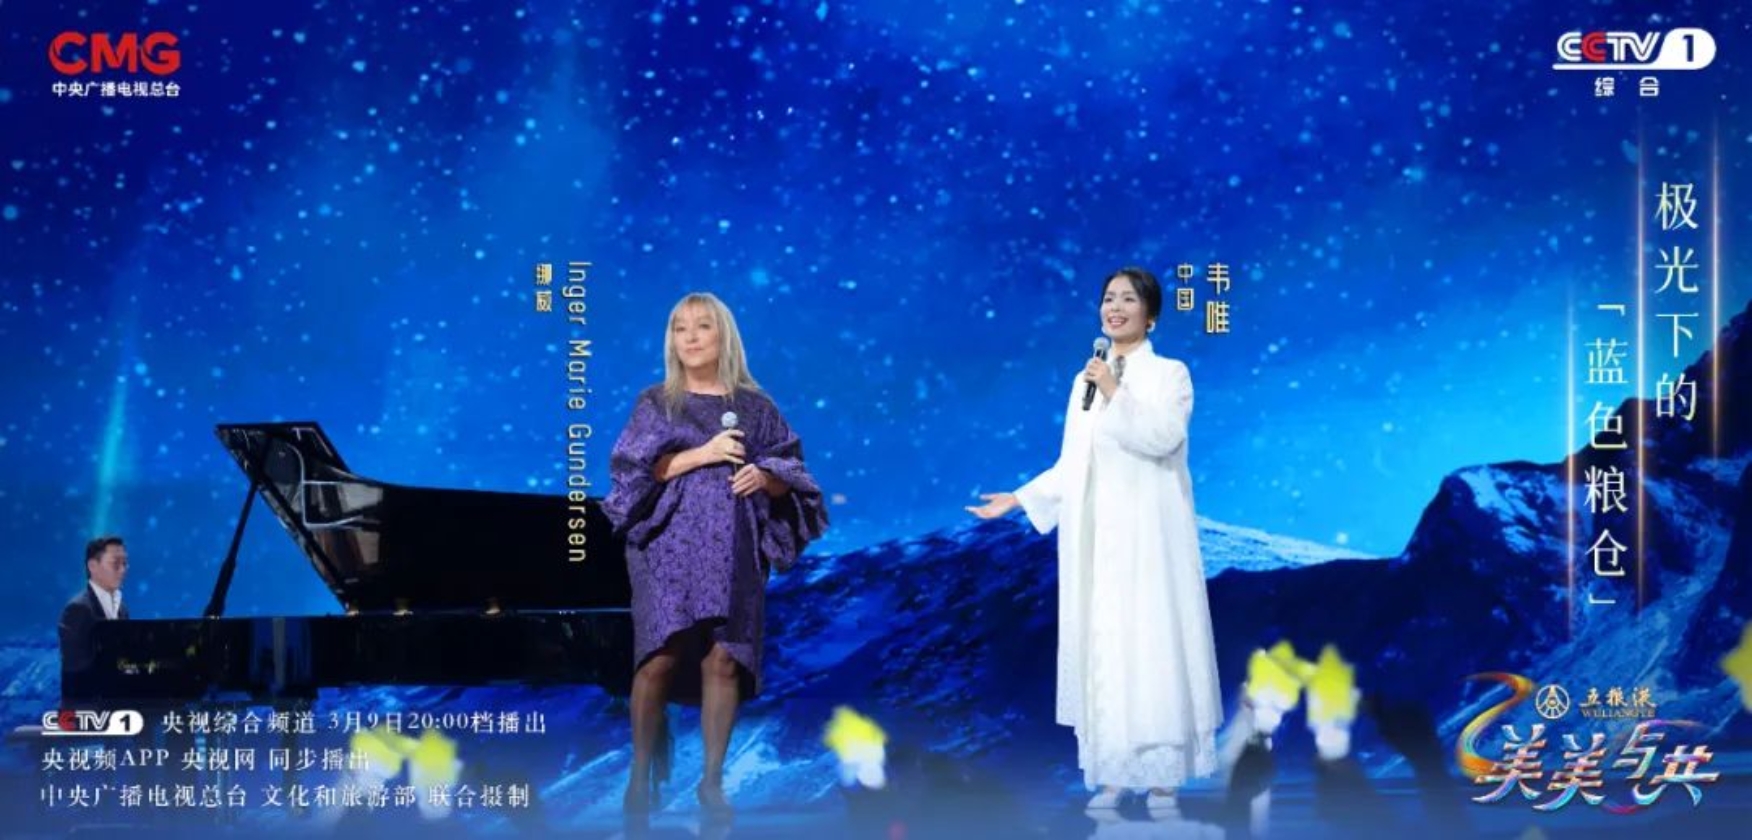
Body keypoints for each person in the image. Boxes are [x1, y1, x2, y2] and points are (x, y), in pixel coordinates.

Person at [967, 267, 1223, 814]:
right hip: (1097, 540)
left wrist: (1114, 390)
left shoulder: (1170, 374)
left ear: (1150, 316)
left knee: (1150, 643)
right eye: (1108, 298)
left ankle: (1161, 775)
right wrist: (1018, 498)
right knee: (1106, 645)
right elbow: (1074, 462)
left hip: (1149, 538)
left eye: (1128, 299)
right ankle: (1113, 772)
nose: (1115, 308)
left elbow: (1164, 438)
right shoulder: (1084, 380)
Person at [604, 292, 828, 814]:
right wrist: (702, 454)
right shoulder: (657, 403)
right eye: (679, 328)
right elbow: (635, 474)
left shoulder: (756, 406)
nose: (690, 337)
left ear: (723, 334)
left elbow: (793, 474)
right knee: (660, 655)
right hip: (668, 546)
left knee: (724, 659)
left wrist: (766, 477)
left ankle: (711, 783)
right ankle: (640, 776)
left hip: (735, 547)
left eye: (702, 326)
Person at [59, 535, 131, 703]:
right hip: (87, 707)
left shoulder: (122, 609)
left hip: (116, 703)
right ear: (93, 566)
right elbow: (75, 668)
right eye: (115, 563)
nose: (122, 569)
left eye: (125, 563)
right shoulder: (77, 610)